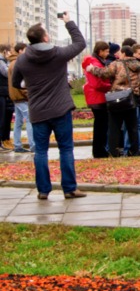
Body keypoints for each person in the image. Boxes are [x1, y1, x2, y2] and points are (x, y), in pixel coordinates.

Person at [11, 14, 87, 200]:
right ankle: (69, 188)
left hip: (38, 110)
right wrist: (68, 21)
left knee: (41, 151)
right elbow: (80, 43)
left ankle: (43, 190)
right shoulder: (58, 54)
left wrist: (29, 87)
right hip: (61, 109)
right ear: (45, 37)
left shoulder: (22, 60)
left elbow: (15, 83)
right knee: (66, 149)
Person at [87, 45, 140, 157]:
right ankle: (133, 150)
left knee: (114, 126)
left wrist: (92, 69)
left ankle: (113, 151)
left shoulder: (117, 64)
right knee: (132, 127)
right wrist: (137, 94)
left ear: (124, 53)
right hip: (131, 99)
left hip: (117, 98)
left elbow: (104, 73)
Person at [81, 41, 112, 158]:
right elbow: (98, 84)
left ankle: (99, 150)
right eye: (106, 51)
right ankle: (99, 151)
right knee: (101, 125)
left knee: (100, 125)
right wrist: (110, 86)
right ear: (100, 51)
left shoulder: (94, 62)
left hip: (94, 97)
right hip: (98, 97)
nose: (108, 54)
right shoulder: (96, 64)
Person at [7, 43, 33, 153]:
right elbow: (20, 83)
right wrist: (28, 93)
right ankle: (33, 145)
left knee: (18, 122)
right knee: (30, 120)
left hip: (16, 96)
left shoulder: (13, 62)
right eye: (26, 50)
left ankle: (17, 145)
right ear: (20, 51)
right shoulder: (18, 63)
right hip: (20, 96)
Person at [0, 45, 15, 149]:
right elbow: (6, 73)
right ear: (4, 51)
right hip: (1, 93)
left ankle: (5, 139)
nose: (10, 54)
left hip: (6, 93)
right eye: (10, 52)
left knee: (6, 118)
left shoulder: (5, 61)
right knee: (2, 118)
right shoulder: (1, 61)